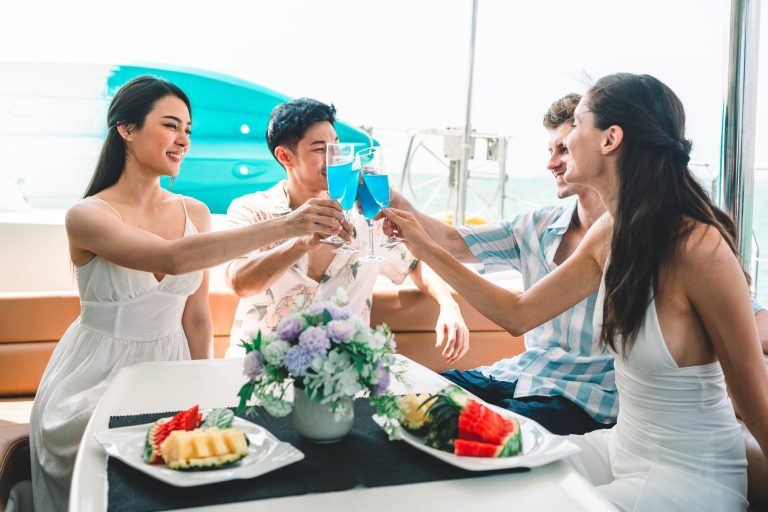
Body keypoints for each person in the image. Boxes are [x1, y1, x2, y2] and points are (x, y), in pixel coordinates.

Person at [383, 73, 768, 511]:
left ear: (610, 139)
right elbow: (518, 314)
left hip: (690, 474)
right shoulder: (609, 232)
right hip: (618, 449)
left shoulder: (699, 249)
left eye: (578, 126)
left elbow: (757, 407)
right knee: (487, 487)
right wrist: (421, 245)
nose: (562, 148)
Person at [28, 77, 347, 512]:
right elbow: (172, 258)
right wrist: (292, 225)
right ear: (126, 128)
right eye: (171, 125)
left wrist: (207, 389)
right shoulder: (86, 216)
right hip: (95, 378)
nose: (183, 140)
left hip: (170, 367)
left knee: (198, 474)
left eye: (189, 130)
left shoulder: (193, 212)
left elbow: (196, 317)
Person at [390, 93, 616, 435]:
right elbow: (453, 241)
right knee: (406, 401)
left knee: (461, 429)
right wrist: (397, 203)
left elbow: (517, 316)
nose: (551, 163)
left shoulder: (630, 240)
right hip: (520, 374)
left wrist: (420, 242)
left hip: (582, 398)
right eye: (550, 151)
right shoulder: (535, 226)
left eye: (564, 150)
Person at [224, 98, 469, 362]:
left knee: (427, 399)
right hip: (259, 377)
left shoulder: (364, 214)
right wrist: (301, 243)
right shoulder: (251, 211)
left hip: (346, 382)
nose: (334, 158)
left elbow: (414, 260)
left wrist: (448, 304)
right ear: (285, 156)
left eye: (336, 146)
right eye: (320, 149)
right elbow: (240, 281)